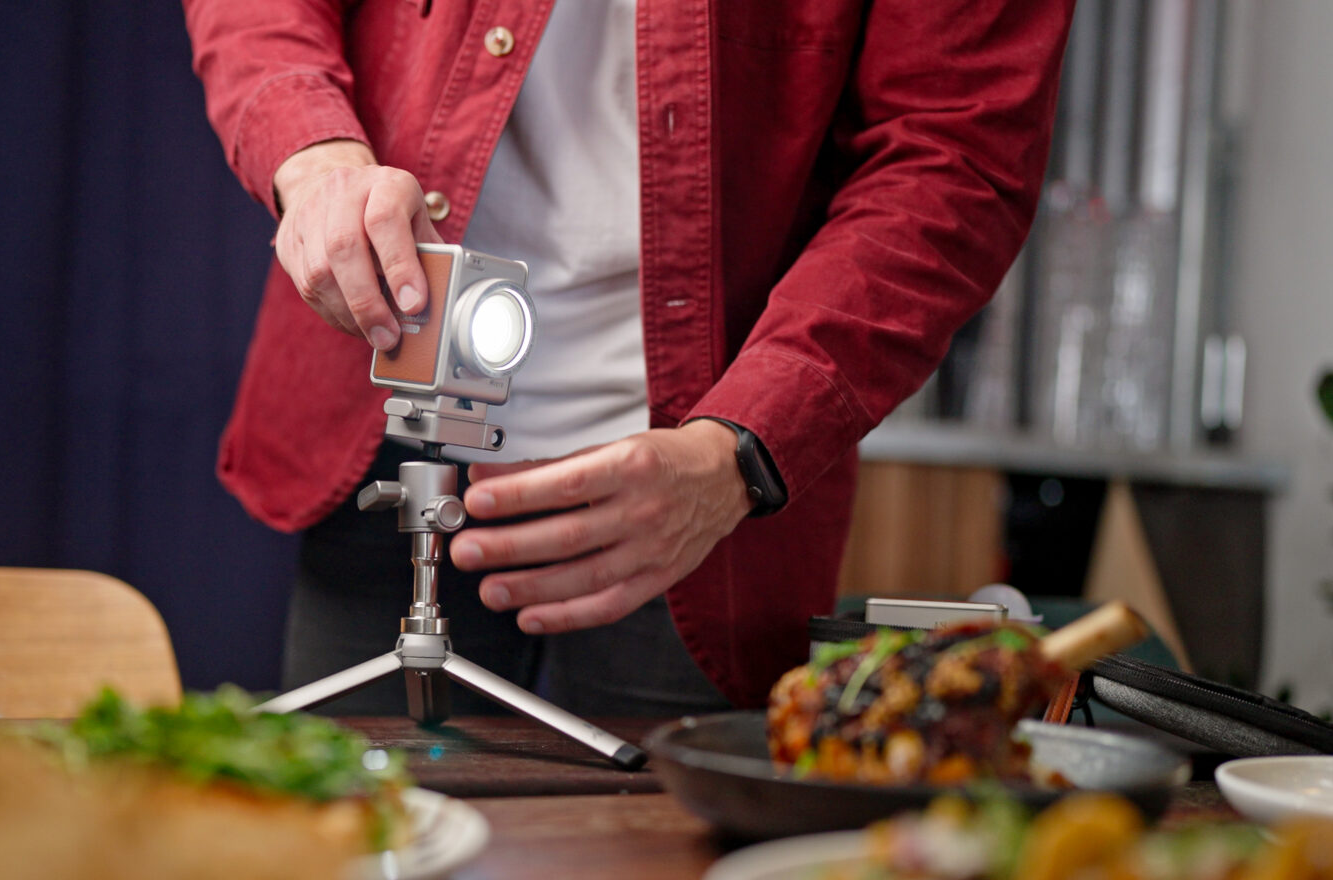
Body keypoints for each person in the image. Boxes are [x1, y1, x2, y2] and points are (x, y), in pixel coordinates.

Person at [183, 0, 1074, 715]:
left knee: (654, 863)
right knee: (357, 852)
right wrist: (314, 158)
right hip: (378, 410)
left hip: (700, 483)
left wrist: (743, 450)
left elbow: (954, 154)